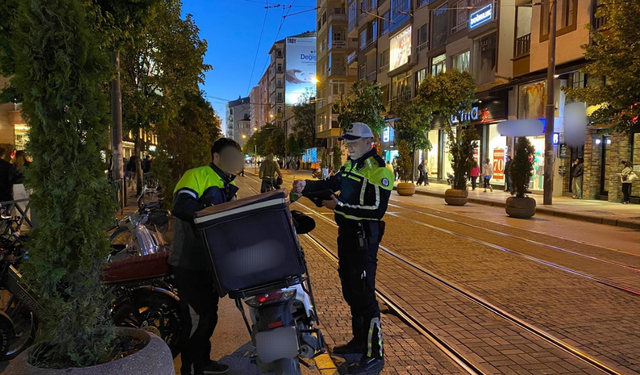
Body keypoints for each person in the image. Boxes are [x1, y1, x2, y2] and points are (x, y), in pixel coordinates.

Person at [292, 123, 394, 374]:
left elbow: (376, 211)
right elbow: (331, 182)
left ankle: (374, 353)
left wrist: (337, 207)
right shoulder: (351, 165)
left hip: (364, 238)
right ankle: (359, 342)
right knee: (351, 292)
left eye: (353, 143)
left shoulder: (379, 170)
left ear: (369, 142)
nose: (348, 147)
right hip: (346, 236)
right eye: (347, 143)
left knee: (365, 296)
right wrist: (307, 187)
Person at [169, 138, 244, 375]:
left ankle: (203, 361)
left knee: (209, 316)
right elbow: (182, 206)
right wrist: (212, 217)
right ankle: (191, 369)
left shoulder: (227, 186)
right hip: (190, 262)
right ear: (216, 157)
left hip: (210, 264)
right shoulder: (197, 175)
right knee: (196, 319)